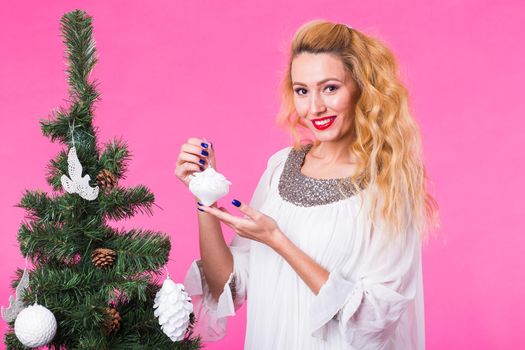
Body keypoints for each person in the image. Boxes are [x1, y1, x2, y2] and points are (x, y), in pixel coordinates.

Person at [175, 19, 439, 350]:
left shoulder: (388, 181)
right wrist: (205, 195)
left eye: (330, 88)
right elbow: (227, 286)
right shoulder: (280, 166)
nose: (314, 108)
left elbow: (373, 321)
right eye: (302, 90)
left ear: (361, 87)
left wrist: (278, 240)